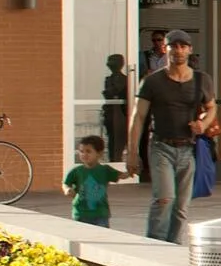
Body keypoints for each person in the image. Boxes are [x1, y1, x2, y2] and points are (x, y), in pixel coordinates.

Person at [127, 30, 207, 242]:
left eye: (183, 46)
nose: (178, 51)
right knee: (164, 198)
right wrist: (132, 153)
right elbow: (138, 117)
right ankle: (154, 244)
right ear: (166, 48)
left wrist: (203, 123)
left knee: (181, 206)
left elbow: (211, 108)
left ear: (190, 49)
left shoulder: (201, 80)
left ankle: (172, 245)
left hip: (188, 149)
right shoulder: (152, 82)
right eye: (174, 46)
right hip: (161, 147)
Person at [64, 133, 122, 226]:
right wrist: (67, 189)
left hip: (100, 213)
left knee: (102, 236)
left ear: (99, 153)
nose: (84, 154)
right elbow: (66, 183)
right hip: (81, 213)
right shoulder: (77, 171)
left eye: (88, 151)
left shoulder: (105, 170)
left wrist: (132, 171)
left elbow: (121, 175)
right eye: (81, 151)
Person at [99, 53, 133, 160]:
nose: (108, 64)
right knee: (113, 147)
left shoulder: (126, 79)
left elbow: (115, 92)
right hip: (111, 115)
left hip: (121, 116)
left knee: (119, 146)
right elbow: (109, 94)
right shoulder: (109, 79)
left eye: (112, 61)